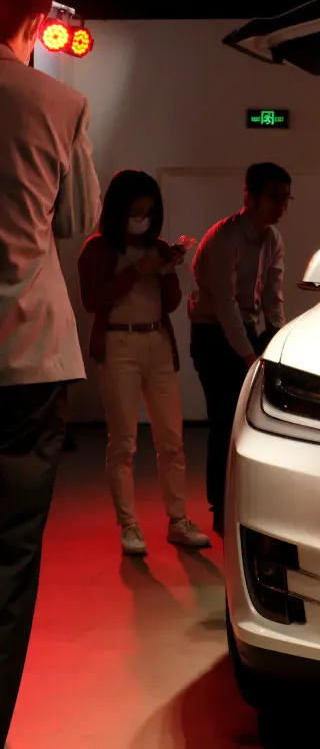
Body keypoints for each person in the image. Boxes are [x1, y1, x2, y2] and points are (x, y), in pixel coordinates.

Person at [0, 0, 101, 743]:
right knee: (7, 562)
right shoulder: (55, 104)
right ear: (38, 19)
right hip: (28, 355)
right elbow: (75, 222)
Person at [78, 170, 211, 556]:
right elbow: (93, 299)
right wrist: (138, 270)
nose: (143, 218)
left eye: (150, 212)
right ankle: (129, 525)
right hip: (119, 341)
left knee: (172, 438)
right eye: (137, 211)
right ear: (119, 210)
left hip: (156, 340)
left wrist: (168, 267)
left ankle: (178, 519)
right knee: (123, 442)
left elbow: (170, 302)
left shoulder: (157, 247)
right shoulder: (98, 249)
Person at [189, 163, 291, 536]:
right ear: (249, 197)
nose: (281, 206)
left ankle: (249, 501)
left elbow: (272, 296)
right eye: (273, 197)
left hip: (243, 329)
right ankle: (220, 506)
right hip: (213, 335)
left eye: (285, 198)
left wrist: (277, 338)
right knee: (224, 423)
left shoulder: (272, 239)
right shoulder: (224, 239)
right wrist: (248, 355)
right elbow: (225, 304)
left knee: (254, 422)